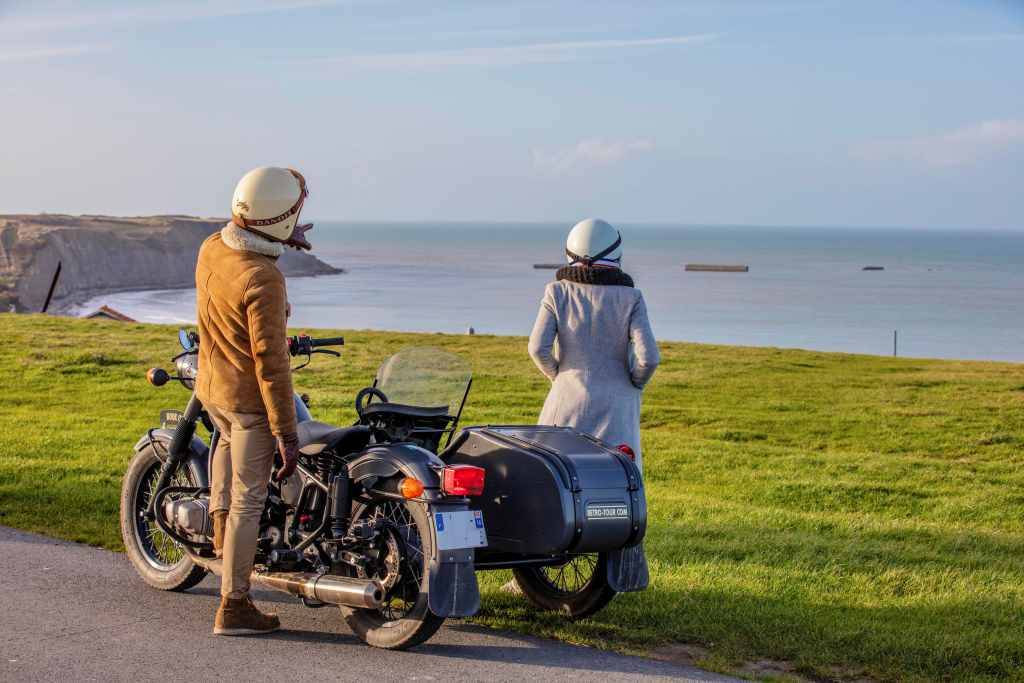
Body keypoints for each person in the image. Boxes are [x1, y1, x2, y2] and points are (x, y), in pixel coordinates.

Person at [194, 166, 315, 636]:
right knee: (250, 499)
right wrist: (286, 432)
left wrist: (285, 239)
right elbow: (271, 363)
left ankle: (221, 541)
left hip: (213, 390)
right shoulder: (263, 279)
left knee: (224, 452)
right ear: (279, 219)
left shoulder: (212, 247)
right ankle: (235, 605)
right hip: (248, 403)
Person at [528, 218, 660, 471]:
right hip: (618, 405)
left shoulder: (556, 292)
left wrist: (558, 376)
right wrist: (634, 383)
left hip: (567, 397)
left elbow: (537, 348)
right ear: (617, 253)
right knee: (619, 481)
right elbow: (649, 358)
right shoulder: (632, 297)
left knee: (559, 479)